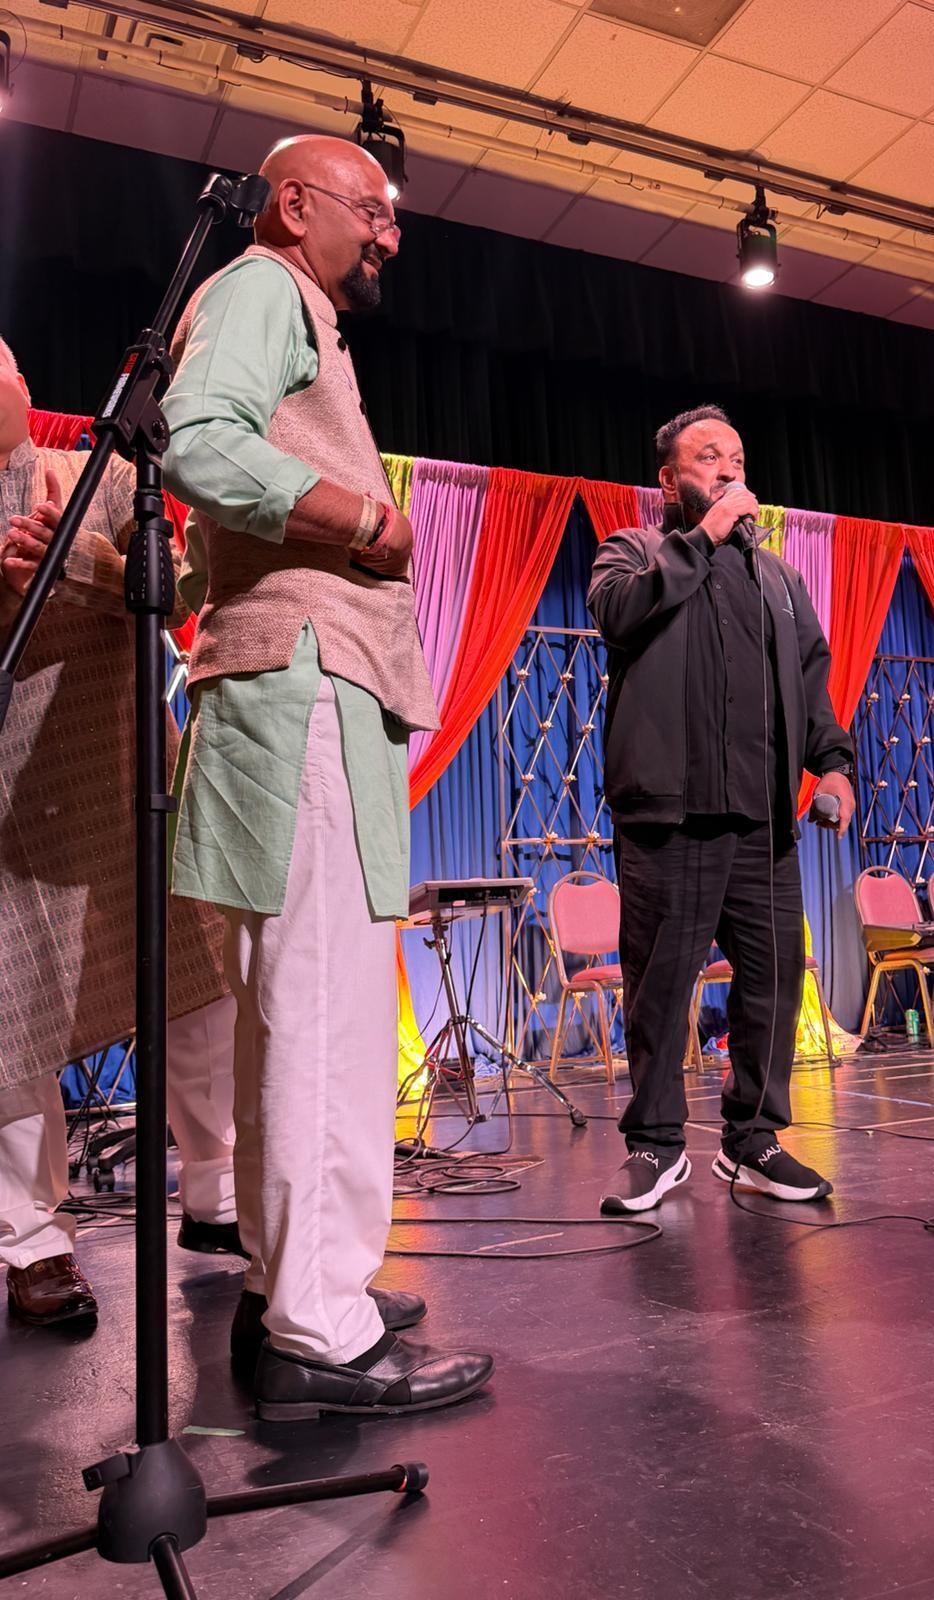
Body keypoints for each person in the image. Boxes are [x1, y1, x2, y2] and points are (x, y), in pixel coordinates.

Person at [162, 134, 492, 1422]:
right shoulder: (262, 286)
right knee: (317, 1007)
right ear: (295, 206)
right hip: (300, 681)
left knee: (309, 1005)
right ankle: (316, 1326)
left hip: (309, 684)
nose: (390, 235)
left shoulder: (299, 315)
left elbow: (210, 516)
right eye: (375, 209)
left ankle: (295, 1284)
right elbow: (198, 442)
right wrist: (365, 517)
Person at [0, 335, 240, 1329]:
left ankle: (220, 1194)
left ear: (23, 383)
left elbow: (181, 593)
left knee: (199, 989)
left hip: (130, 779)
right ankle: (31, 1241)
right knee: (13, 1024)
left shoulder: (99, 476)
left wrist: (85, 567)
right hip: (11, 814)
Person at [587, 405, 856, 1216]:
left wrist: (833, 766)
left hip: (760, 821)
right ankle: (656, 1147)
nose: (729, 468)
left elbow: (809, 682)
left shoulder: (777, 579)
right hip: (670, 817)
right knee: (661, 990)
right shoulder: (633, 551)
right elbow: (617, 614)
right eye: (708, 457)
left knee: (773, 982)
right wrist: (702, 539)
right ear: (670, 480)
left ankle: (752, 1140)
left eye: (736, 456)